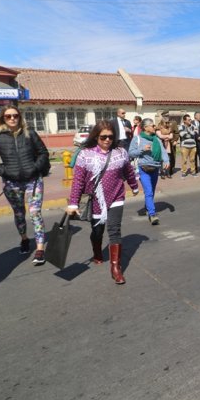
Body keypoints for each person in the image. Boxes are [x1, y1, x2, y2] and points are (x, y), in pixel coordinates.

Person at [66, 120, 139, 284]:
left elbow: (128, 171)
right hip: (96, 200)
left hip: (116, 196)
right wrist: (73, 203)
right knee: (97, 231)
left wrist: (134, 186)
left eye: (110, 137)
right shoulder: (85, 154)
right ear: (96, 137)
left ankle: (116, 268)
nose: (107, 140)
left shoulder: (120, 152)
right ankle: (97, 251)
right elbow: (78, 181)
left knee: (114, 231)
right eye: (103, 137)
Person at [0, 106, 50, 265]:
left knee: (35, 213)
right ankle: (24, 239)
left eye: (15, 116)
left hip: (33, 180)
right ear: (3, 118)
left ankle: (40, 248)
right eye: (8, 116)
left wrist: (35, 168)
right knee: (19, 213)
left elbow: (43, 153)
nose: (12, 119)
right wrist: (5, 172)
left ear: (19, 117)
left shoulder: (30, 133)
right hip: (11, 182)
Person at [129, 118, 169, 225]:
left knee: (152, 191)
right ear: (145, 127)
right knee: (149, 191)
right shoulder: (137, 139)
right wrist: (142, 149)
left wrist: (166, 160)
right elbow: (130, 153)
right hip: (143, 168)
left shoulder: (156, 139)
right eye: (152, 125)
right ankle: (152, 214)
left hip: (155, 168)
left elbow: (163, 152)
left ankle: (148, 207)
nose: (154, 127)